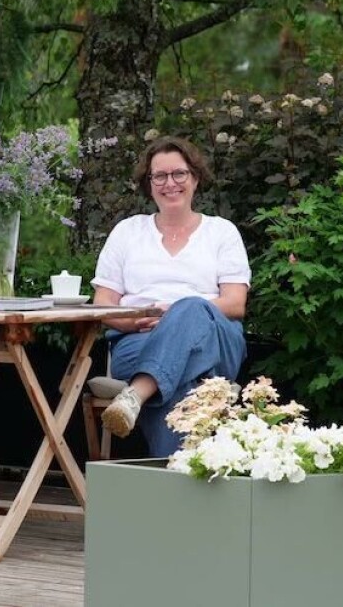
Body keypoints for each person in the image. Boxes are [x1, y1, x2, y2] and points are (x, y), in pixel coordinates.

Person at [91, 135, 250, 457]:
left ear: (195, 177)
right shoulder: (128, 231)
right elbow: (102, 306)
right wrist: (134, 321)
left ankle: (137, 393)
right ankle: (177, 484)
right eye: (159, 176)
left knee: (190, 307)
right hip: (139, 340)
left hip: (215, 341)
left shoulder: (221, 232)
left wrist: (174, 313)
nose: (170, 183)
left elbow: (235, 303)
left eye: (179, 174)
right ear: (148, 184)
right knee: (185, 383)